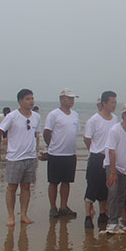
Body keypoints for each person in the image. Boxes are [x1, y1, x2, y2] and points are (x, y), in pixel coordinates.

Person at [0, 89, 40, 227]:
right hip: (15, 157)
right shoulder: (12, 116)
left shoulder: (36, 117)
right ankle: (11, 216)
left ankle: (24, 214)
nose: (31, 101)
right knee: (12, 187)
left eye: (32, 98)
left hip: (30, 157)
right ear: (20, 101)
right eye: (28, 99)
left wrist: (37, 151)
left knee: (26, 187)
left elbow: (36, 135)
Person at [83, 90, 118, 229]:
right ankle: (87, 215)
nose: (114, 105)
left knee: (105, 186)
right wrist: (94, 150)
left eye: (115, 102)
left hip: (109, 158)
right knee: (92, 186)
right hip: (96, 157)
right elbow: (87, 138)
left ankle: (103, 213)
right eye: (112, 102)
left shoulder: (115, 119)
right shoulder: (93, 120)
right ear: (104, 103)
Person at [42, 88, 80, 219]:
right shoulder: (54, 114)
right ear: (62, 99)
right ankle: (53, 207)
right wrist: (51, 146)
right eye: (69, 98)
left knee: (66, 182)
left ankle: (63, 206)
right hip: (56, 154)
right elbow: (47, 132)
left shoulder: (75, 115)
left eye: (73, 98)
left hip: (70, 154)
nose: (71, 101)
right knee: (53, 182)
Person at [103, 102, 126, 234]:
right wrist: (113, 172)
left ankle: (117, 220)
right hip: (113, 166)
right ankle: (111, 222)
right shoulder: (115, 130)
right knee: (113, 193)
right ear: (124, 116)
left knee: (122, 194)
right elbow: (111, 151)